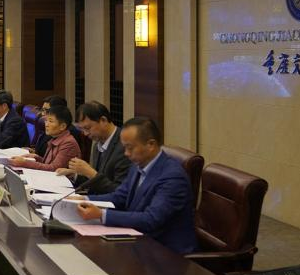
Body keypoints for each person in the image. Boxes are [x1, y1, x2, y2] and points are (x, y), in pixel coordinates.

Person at [76, 116, 197, 254]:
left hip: (166, 253)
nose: (126, 154)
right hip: (138, 241)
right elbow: (120, 196)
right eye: (124, 147)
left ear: (151, 144)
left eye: (130, 148)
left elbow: (151, 219)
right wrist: (84, 200)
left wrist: (102, 214)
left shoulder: (172, 177)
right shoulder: (138, 165)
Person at [57, 101, 131, 195]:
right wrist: (74, 175)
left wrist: (90, 172)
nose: (85, 133)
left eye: (87, 128)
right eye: (82, 129)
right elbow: (96, 180)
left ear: (103, 120)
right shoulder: (97, 143)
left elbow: (119, 192)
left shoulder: (125, 146)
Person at [10, 105, 81, 172]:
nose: (46, 124)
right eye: (46, 120)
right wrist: (37, 158)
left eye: (50, 121)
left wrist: (25, 163)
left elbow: (54, 169)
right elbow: (48, 163)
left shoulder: (68, 143)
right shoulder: (54, 137)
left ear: (62, 126)